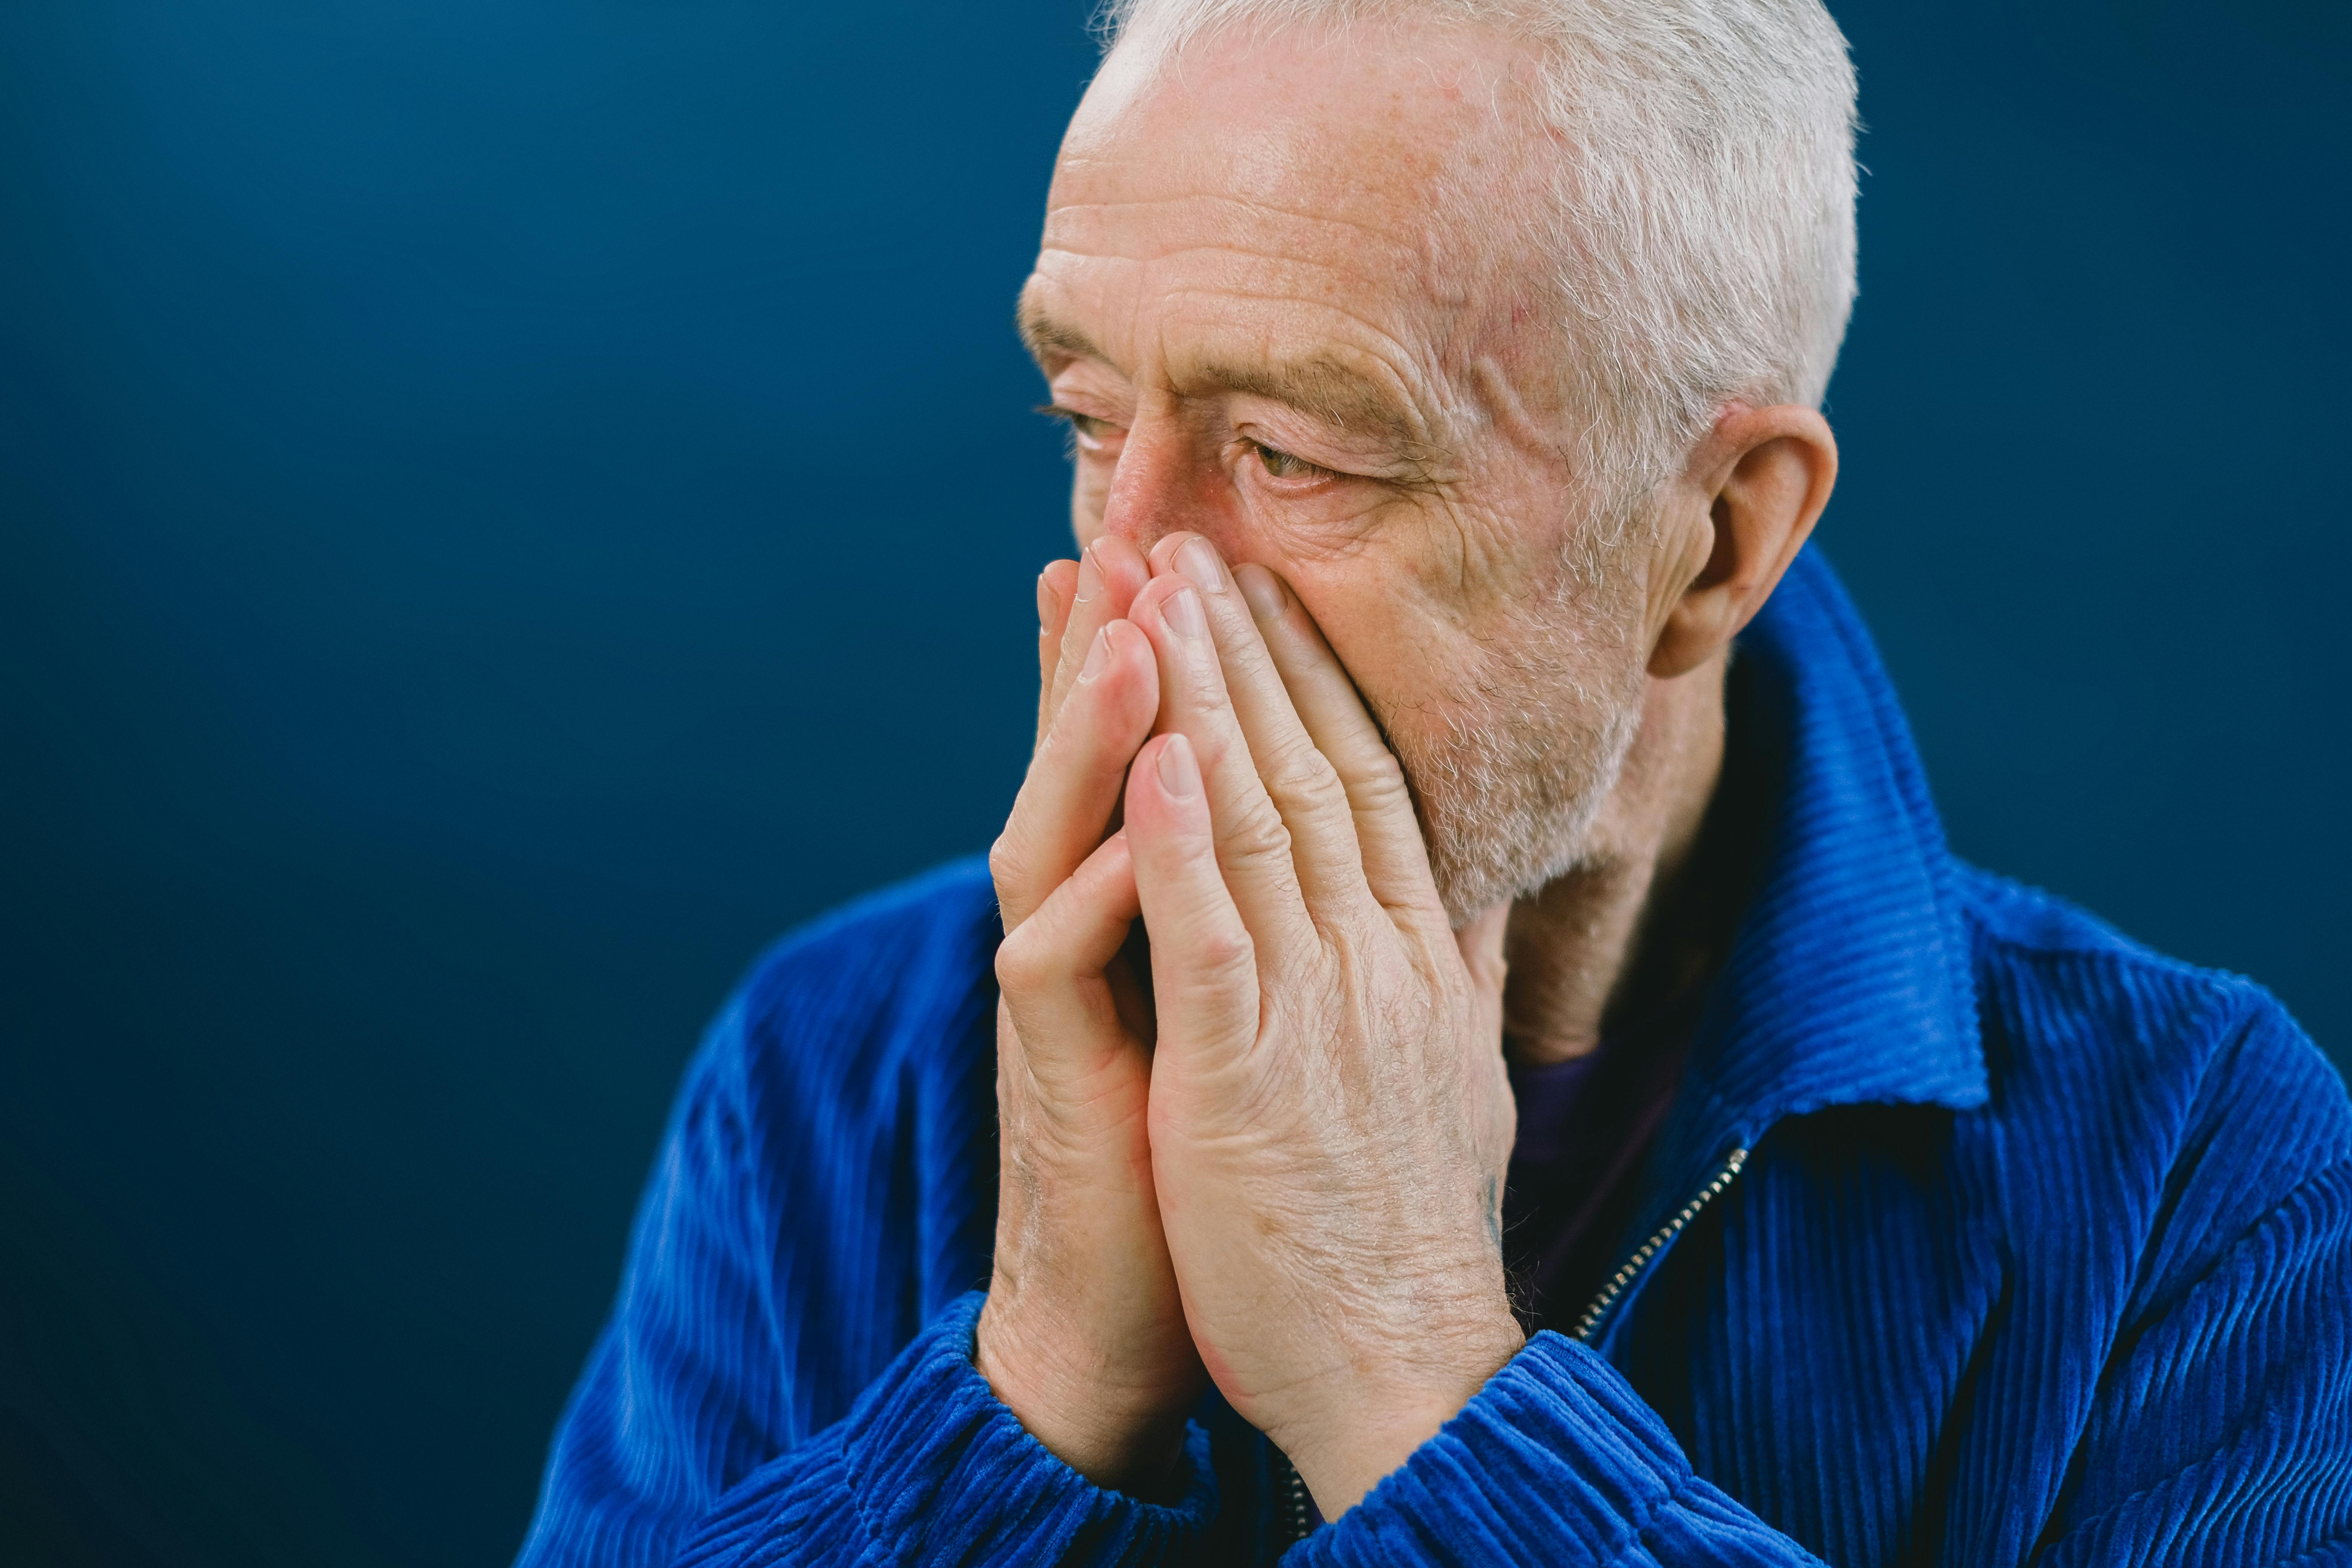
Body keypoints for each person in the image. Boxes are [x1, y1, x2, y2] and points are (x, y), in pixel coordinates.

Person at [515, 1, 2352, 1562]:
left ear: (1715, 538)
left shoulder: (2205, 1177)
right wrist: (1039, 1393)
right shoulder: (834, 1071)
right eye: (1087, 421)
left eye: (1298, 455)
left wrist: (1411, 1376)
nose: (1133, 584)